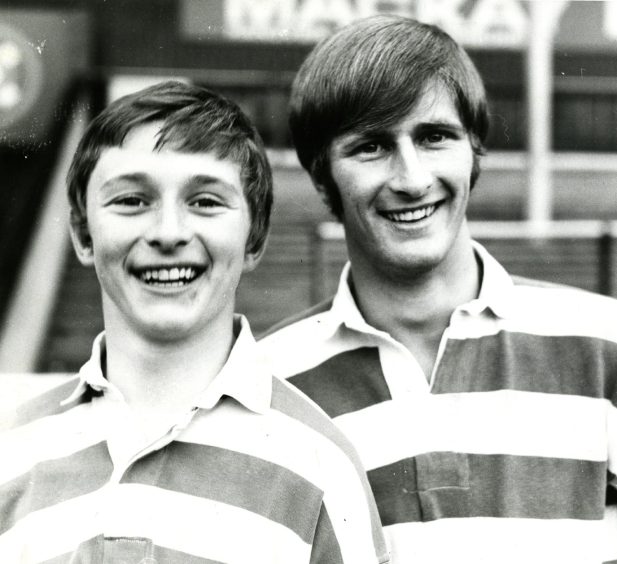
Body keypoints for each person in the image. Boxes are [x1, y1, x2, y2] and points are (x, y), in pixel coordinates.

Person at [259, 15, 617, 564]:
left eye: (434, 137)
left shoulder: (603, 343)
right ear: (321, 173)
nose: (411, 178)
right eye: (371, 147)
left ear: (474, 148)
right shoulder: (267, 387)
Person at [0, 81, 390, 564]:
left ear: (254, 238)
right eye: (131, 200)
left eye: (205, 201)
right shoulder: (11, 453)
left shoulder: (320, 466)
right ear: (82, 233)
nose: (168, 233)